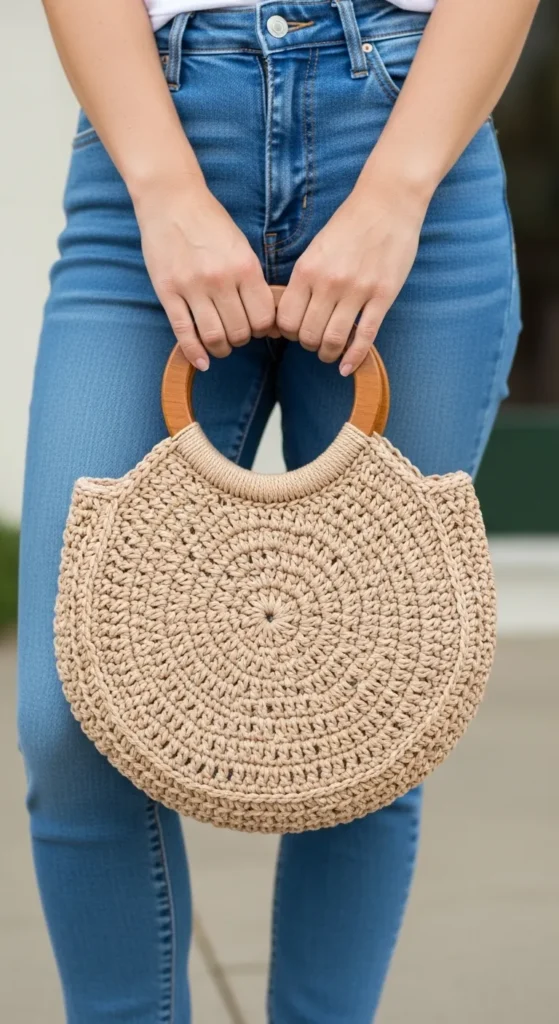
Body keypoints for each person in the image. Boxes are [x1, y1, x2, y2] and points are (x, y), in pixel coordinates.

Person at [17, 0, 537, 1020]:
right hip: (155, 132)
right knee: (70, 714)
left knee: (372, 715)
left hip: (408, 127)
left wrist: (395, 192)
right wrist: (165, 189)